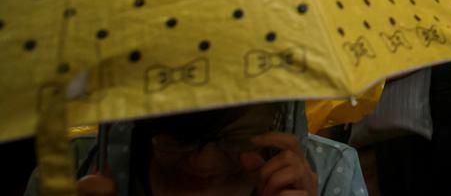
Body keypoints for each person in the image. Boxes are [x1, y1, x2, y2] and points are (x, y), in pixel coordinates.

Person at [28, 102, 366, 196]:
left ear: (276, 117)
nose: (202, 162)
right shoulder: (70, 171)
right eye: (178, 138)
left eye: (235, 139)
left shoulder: (329, 174)